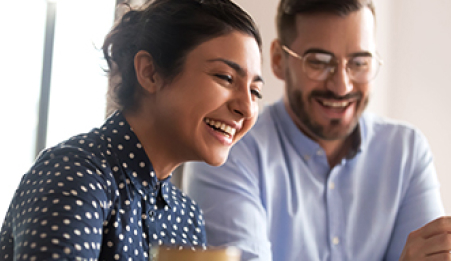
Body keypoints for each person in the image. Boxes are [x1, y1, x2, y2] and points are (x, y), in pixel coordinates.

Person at [184, 0, 451, 260]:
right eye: (319, 62)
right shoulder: (227, 148)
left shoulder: (406, 151)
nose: (342, 86)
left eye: (359, 63)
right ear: (279, 60)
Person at [0, 0, 264, 260]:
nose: (247, 109)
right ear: (150, 73)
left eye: (255, 91)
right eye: (225, 77)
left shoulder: (187, 216)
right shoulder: (77, 175)